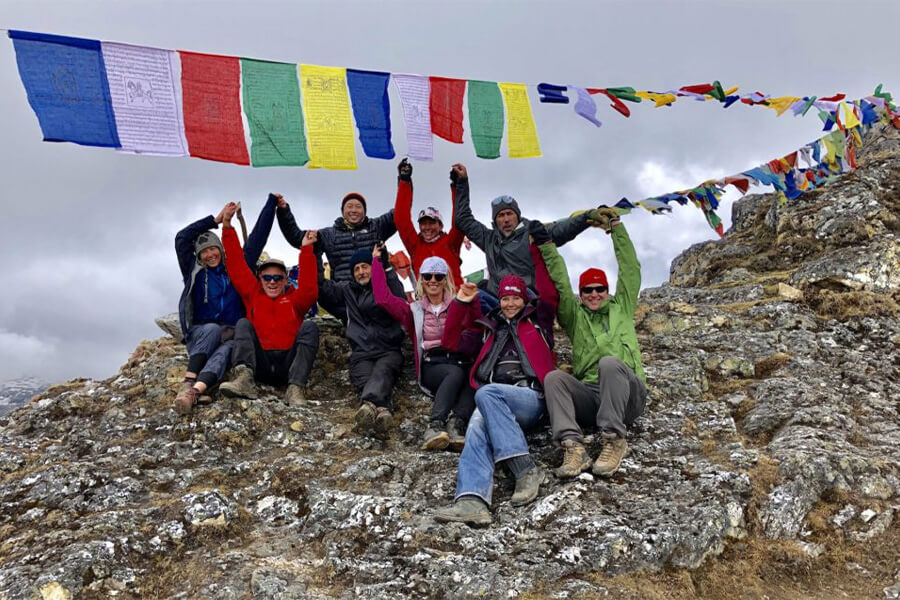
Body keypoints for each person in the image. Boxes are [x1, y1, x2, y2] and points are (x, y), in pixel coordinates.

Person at [434, 263, 559, 527]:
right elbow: (450, 341)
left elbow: (550, 293)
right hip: (492, 402)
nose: (510, 303)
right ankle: (472, 501)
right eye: (505, 298)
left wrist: (540, 250)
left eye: (516, 297)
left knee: (486, 394)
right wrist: (460, 302)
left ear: (524, 299)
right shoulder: (488, 331)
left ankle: (525, 469)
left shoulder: (539, 321)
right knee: (476, 426)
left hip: (529, 397)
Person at [538, 208, 648, 479]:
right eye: (588, 290)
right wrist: (548, 246)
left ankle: (614, 439)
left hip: (627, 395)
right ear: (582, 293)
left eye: (600, 289)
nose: (594, 294)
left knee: (609, 363)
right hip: (591, 397)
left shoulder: (622, 306)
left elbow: (630, 268)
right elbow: (561, 286)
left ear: (608, 291)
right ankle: (574, 448)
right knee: (554, 378)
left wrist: (616, 228)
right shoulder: (574, 317)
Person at [173, 193, 279, 415]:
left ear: (220, 249)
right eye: (204, 252)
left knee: (228, 350)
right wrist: (215, 220)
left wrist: (271, 204)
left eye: (213, 249)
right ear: (199, 257)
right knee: (212, 329)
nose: (210, 255)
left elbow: (258, 238)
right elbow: (182, 238)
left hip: (231, 333)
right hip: (202, 334)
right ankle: (188, 381)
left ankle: (194, 391)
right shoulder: (194, 272)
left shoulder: (237, 268)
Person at [372, 255, 480, 451]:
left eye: (438, 276)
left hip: (459, 360)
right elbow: (382, 298)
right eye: (427, 276)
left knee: (473, 375)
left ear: (445, 279)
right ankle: (435, 425)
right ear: (421, 279)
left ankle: (456, 425)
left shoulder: (459, 303)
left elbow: (476, 324)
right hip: (433, 365)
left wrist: (472, 300)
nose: (433, 281)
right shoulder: (413, 310)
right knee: (454, 373)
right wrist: (377, 262)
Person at [451, 163, 600, 302]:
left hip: (527, 301)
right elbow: (463, 219)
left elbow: (562, 229)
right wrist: (462, 183)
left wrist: (587, 217)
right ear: (495, 221)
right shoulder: (489, 239)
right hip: (498, 302)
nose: (506, 219)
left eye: (510, 213)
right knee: (468, 298)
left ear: (518, 215)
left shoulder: (533, 232)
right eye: (501, 216)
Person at [217, 204, 320, 405]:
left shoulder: (294, 299)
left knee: (310, 327)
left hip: (288, 364)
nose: (272, 282)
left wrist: (307, 249)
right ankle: (244, 379)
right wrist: (228, 227)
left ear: (285, 279)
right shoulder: (253, 293)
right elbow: (236, 265)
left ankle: (295, 388)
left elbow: (309, 290)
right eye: (267, 277)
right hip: (260, 363)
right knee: (243, 324)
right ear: (260, 278)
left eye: (277, 277)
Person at [318, 244, 407, 439]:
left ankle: (367, 406)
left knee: (383, 372)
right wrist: (315, 254)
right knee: (364, 378)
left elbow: (400, 298)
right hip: (361, 352)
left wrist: (383, 265)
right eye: (356, 269)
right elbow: (324, 289)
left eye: (365, 266)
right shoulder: (348, 290)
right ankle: (383, 410)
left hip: (388, 349)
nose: (361, 272)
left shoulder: (387, 283)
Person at [276, 190, 397, 321]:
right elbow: (297, 238)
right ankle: (351, 320)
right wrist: (283, 211)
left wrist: (404, 178)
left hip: (374, 293)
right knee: (320, 289)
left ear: (365, 211)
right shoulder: (329, 235)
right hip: (343, 296)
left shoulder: (377, 227)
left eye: (358, 206)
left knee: (391, 285)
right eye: (349, 206)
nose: (354, 210)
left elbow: (400, 212)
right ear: (342, 211)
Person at [394, 158, 465, 288]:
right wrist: (404, 181)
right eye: (423, 223)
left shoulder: (451, 243)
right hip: (427, 305)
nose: (427, 227)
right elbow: (401, 219)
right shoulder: (415, 246)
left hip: (456, 303)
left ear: (440, 225)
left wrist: (457, 185)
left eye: (432, 223)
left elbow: (458, 219)